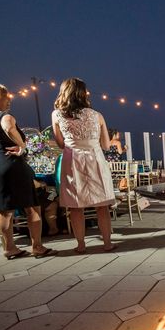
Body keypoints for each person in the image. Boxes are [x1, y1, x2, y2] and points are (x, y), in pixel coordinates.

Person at [0, 79, 54, 259]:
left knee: (4, 211)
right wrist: (22, 146)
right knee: (31, 208)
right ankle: (37, 247)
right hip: (13, 165)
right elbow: (8, 128)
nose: (9, 101)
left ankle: (9, 249)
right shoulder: (4, 117)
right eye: (6, 97)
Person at [52, 77, 116, 253]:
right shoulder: (97, 115)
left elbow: (60, 143)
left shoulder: (57, 114)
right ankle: (107, 244)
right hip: (95, 159)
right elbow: (106, 146)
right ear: (83, 93)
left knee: (75, 206)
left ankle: (81, 245)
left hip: (72, 160)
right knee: (101, 204)